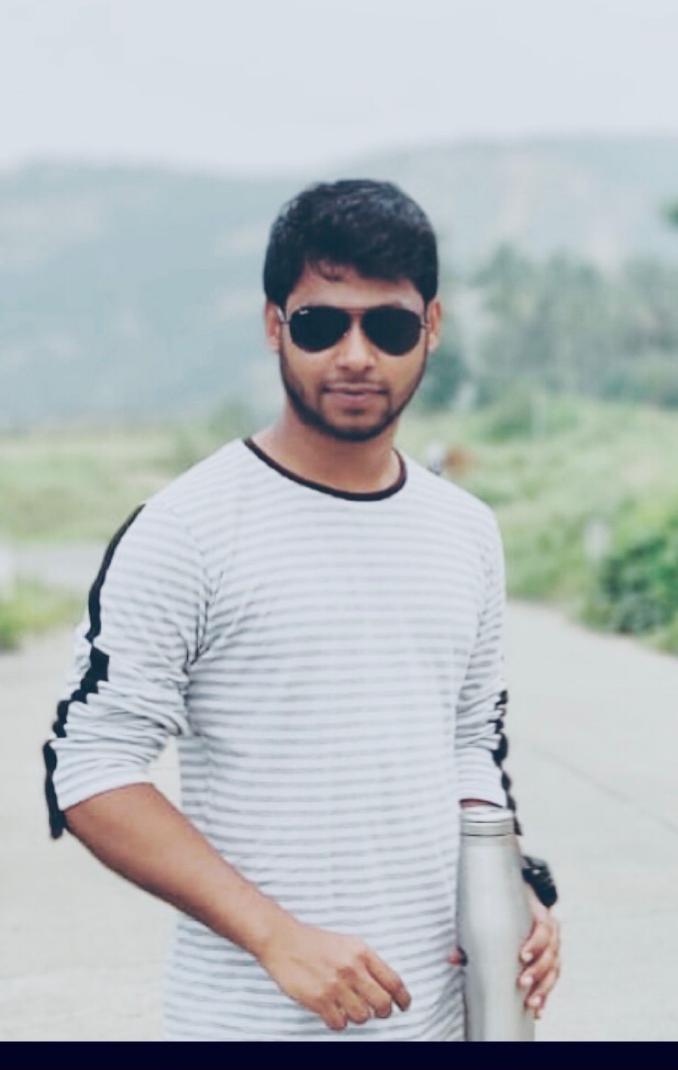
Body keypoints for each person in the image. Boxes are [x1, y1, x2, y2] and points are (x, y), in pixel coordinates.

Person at [41, 179, 561, 1040]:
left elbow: (470, 743)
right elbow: (91, 767)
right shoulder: (187, 528)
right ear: (274, 325)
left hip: (437, 1024)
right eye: (322, 325)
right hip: (248, 1026)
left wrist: (512, 887)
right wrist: (273, 935)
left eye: (388, 326)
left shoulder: (466, 531)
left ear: (432, 326)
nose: (356, 355)